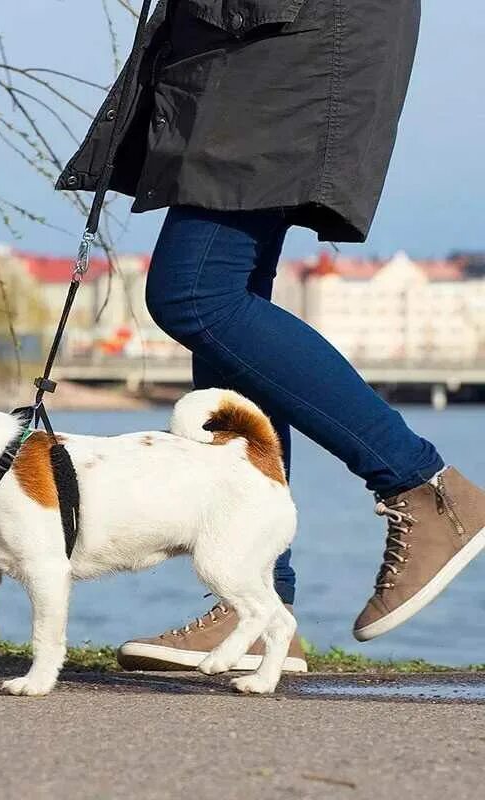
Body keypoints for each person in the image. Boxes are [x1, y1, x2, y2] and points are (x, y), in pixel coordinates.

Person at [57, 0, 485, 672]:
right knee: (227, 303)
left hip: (290, 37)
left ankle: (422, 485)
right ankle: (256, 609)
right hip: (264, 33)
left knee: (195, 292)